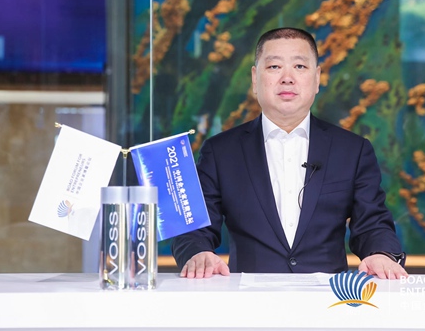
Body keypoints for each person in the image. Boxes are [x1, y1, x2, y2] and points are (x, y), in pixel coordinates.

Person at [172, 27, 408, 280]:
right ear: (255, 78)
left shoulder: (352, 150)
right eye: (274, 67)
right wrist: (198, 253)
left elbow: (372, 223)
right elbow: (195, 227)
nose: (287, 78)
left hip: (329, 297)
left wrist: (381, 254)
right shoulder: (220, 152)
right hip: (249, 297)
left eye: (299, 66)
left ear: (317, 78)